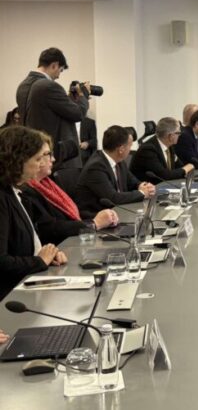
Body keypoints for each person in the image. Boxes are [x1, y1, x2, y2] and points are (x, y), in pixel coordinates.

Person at [0, 126, 68, 301]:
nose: (40, 164)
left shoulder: (17, 192)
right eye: (37, 159)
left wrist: (49, 254)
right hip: (10, 298)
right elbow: (1, 261)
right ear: (18, 160)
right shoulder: (2, 198)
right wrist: (39, 261)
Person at [21, 132, 118, 245]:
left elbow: (72, 214)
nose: (53, 159)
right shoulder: (26, 191)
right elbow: (50, 228)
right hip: (60, 246)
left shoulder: (48, 183)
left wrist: (103, 217)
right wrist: (94, 223)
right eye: (48, 154)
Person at [16, 47, 90, 171]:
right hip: (57, 158)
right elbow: (78, 114)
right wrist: (83, 96)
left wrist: (71, 99)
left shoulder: (23, 86)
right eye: (60, 70)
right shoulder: (48, 86)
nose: (58, 76)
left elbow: (49, 113)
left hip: (34, 153)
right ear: (54, 65)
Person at [75, 125, 156, 217]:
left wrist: (142, 186)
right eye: (130, 146)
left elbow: (132, 181)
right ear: (121, 149)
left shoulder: (119, 161)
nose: (130, 149)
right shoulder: (95, 167)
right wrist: (143, 193)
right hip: (97, 216)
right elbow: (113, 198)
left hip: (118, 211)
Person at [130, 117, 195, 183]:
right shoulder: (148, 150)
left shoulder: (169, 146)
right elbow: (165, 176)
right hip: (150, 187)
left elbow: (179, 166)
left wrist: (185, 169)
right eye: (178, 133)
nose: (179, 135)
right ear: (170, 136)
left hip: (164, 185)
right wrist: (186, 169)